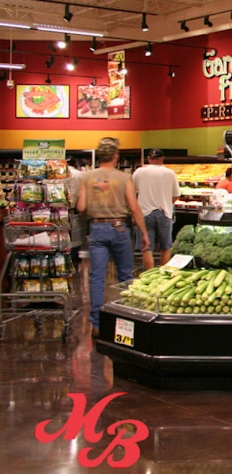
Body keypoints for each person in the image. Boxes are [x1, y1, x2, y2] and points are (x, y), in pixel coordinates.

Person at [78, 137, 149, 337]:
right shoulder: (124, 178)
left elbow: (81, 207)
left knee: (97, 277)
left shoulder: (86, 177)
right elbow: (134, 209)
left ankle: (96, 324)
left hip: (97, 229)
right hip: (119, 229)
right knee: (125, 275)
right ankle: (127, 321)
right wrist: (144, 234)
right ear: (116, 156)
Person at [133, 149, 180, 270]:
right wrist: (167, 204)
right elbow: (176, 195)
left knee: (147, 247)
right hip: (165, 213)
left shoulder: (139, 172)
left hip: (145, 213)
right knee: (166, 247)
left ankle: (150, 274)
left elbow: (132, 191)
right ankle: (163, 275)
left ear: (149, 159)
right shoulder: (170, 173)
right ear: (162, 159)